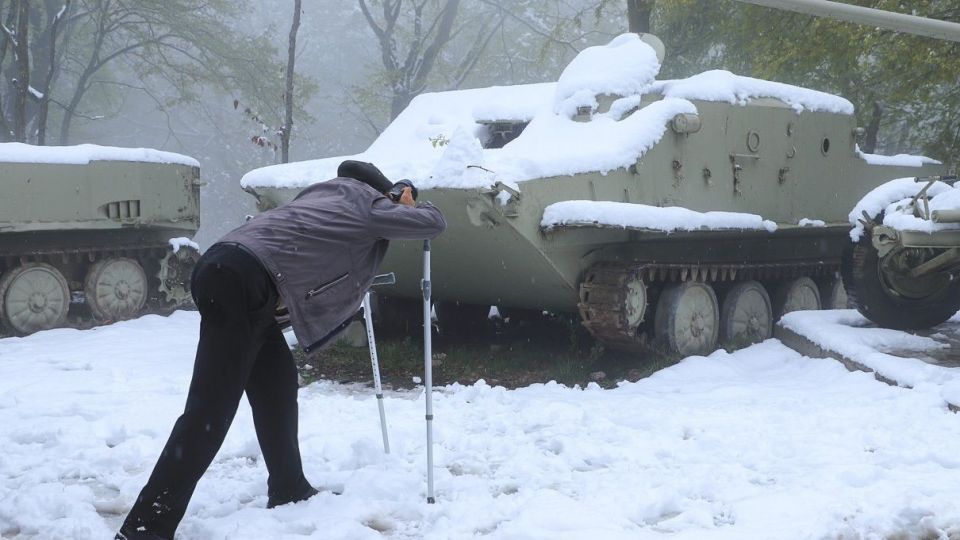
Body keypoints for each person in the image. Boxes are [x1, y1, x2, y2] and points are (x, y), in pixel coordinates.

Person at [116, 161, 446, 540]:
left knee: (277, 382)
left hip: (224, 266)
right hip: (245, 282)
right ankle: (144, 528)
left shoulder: (319, 196)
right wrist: (407, 200)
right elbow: (433, 222)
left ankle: (289, 487)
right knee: (208, 415)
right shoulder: (367, 205)